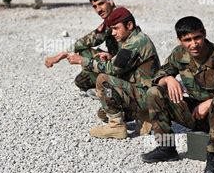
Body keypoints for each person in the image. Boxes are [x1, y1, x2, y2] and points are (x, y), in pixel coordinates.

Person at [140, 17, 214, 173]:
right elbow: (158, 76)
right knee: (154, 92)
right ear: (180, 40)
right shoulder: (179, 54)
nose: (193, 44)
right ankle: (167, 147)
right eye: (187, 40)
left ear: (204, 34)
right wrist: (168, 79)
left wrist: (211, 102)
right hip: (195, 113)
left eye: (197, 37)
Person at [67, 7, 160, 139]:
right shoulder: (134, 39)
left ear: (129, 25)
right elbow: (125, 65)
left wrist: (83, 61)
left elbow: (112, 69)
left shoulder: (137, 42)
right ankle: (145, 117)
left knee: (103, 80)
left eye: (116, 28)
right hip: (143, 92)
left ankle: (117, 126)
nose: (113, 33)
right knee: (103, 113)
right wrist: (111, 57)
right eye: (112, 29)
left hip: (147, 96)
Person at [45, 0, 118, 101]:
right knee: (81, 81)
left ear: (110, 0)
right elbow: (87, 41)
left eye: (101, 4)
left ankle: (110, 92)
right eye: (95, 6)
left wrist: (60, 56)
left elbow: (88, 41)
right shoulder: (111, 18)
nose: (98, 10)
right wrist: (61, 56)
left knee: (86, 55)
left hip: (124, 67)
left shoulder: (117, 18)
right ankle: (105, 86)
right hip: (116, 62)